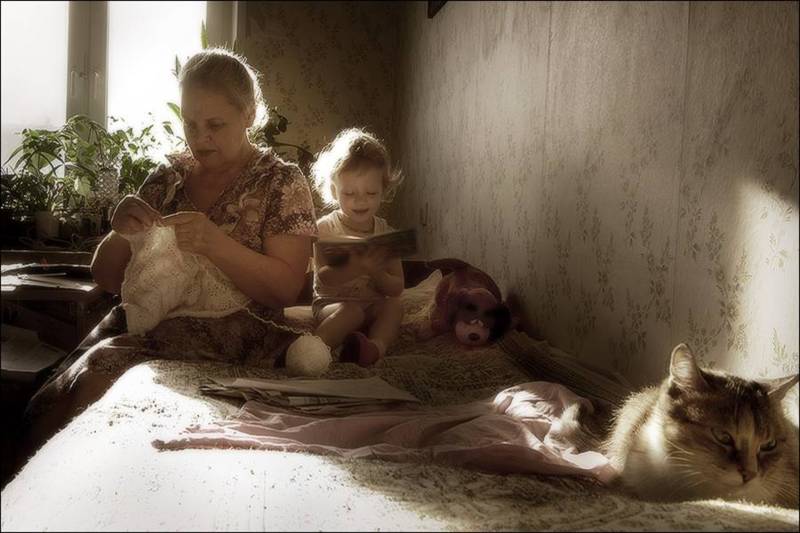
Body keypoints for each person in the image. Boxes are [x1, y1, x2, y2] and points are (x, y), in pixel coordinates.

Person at [22, 48, 317, 453]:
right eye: (190, 124)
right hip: (142, 319)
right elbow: (105, 276)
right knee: (47, 399)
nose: (200, 137)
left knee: (97, 377)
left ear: (249, 115)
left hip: (233, 329)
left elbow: (285, 289)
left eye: (215, 124)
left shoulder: (280, 183)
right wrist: (120, 230)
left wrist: (215, 244)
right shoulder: (168, 177)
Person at [310, 128, 404, 366]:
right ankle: (311, 350)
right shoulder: (325, 228)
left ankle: (374, 348)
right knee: (351, 312)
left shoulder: (386, 234)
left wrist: (377, 272)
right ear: (334, 191)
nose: (360, 200)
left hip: (372, 306)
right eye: (349, 193)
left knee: (394, 306)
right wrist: (358, 266)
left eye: (371, 193)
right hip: (333, 306)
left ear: (383, 190)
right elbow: (325, 278)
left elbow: (397, 287)